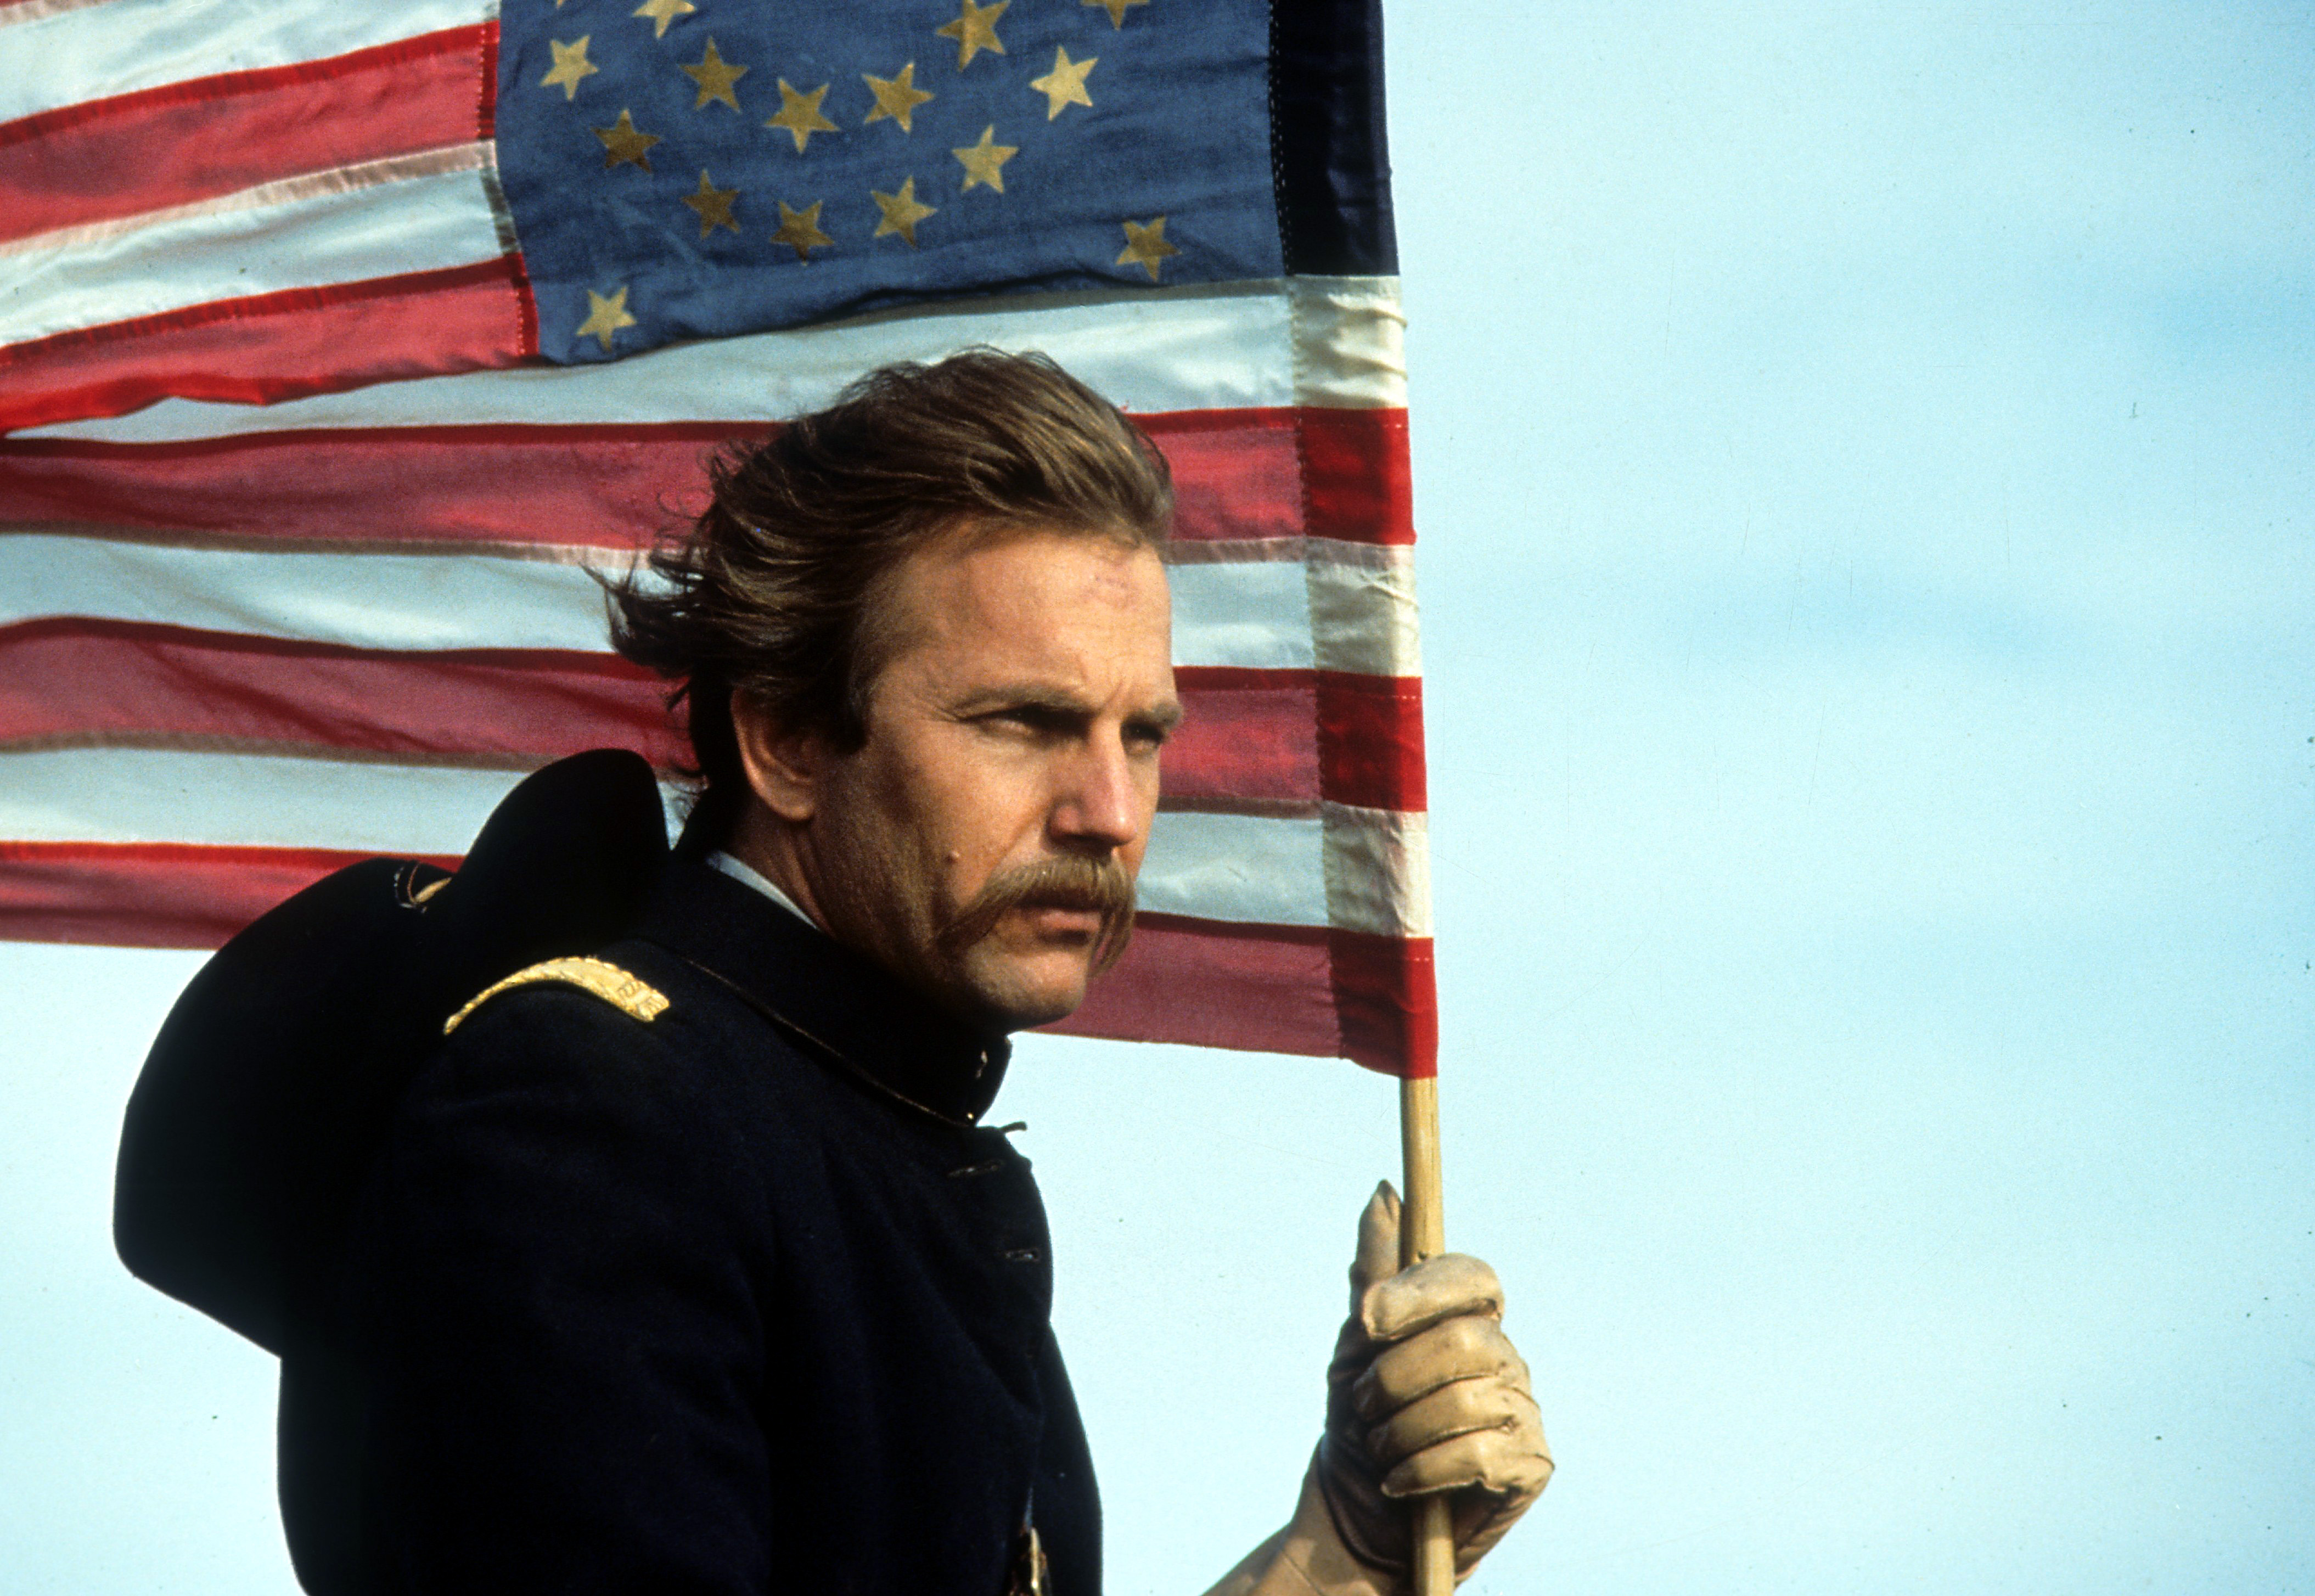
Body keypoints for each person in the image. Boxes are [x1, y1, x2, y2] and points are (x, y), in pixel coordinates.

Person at [334, 351, 1550, 1594]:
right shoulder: (592, 1112)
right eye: (1025, 722)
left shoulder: (876, 1131)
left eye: (1143, 734)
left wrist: (1342, 1546)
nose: (1112, 811)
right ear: (791, 739)